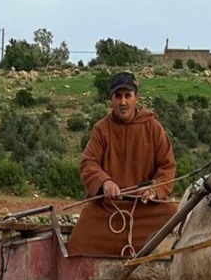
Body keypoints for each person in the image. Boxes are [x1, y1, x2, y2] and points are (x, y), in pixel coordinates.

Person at [66, 71, 179, 257]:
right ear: (111, 99)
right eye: (118, 96)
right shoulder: (101, 129)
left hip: (146, 209)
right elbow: (88, 162)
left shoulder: (152, 127)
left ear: (136, 98)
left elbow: (167, 166)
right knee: (79, 240)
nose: (123, 102)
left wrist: (154, 189)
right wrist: (104, 182)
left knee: (173, 220)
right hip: (109, 208)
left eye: (128, 95)